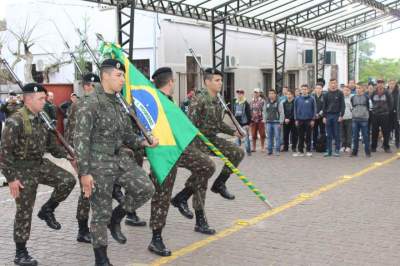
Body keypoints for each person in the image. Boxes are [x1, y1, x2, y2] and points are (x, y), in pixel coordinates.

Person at [74, 59, 157, 265]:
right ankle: (101, 260)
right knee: (100, 213)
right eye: (119, 76)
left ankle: (117, 217)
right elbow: (81, 141)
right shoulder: (90, 103)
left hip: (119, 159)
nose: (122, 80)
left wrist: (145, 142)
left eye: (123, 76)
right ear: (105, 77)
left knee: (146, 188)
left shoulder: (120, 103)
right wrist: (84, 173)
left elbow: (128, 136)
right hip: (98, 164)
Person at [0, 83, 76, 266]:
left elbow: (51, 146)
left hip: (40, 164)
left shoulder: (42, 118)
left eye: (44, 98)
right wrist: (11, 179)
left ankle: (47, 209)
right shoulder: (15, 121)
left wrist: (68, 154)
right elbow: (4, 153)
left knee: (67, 180)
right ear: (28, 100)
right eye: (41, 99)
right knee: (24, 211)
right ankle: (21, 252)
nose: (45, 101)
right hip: (22, 170)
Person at [149, 67, 216, 257]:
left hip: (178, 148)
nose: (174, 84)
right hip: (162, 153)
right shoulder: (154, 100)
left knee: (207, 166)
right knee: (162, 194)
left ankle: (182, 197)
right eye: (173, 82)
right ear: (170, 82)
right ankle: (156, 238)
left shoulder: (169, 101)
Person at [176, 68, 244, 200]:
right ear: (207, 82)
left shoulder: (218, 100)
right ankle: (190, 205)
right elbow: (190, 125)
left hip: (211, 139)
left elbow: (218, 123)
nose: (220, 83)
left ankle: (219, 184)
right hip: (197, 140)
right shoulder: (199, 99)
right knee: (204, 173)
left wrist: (234, 132)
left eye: (221, 80)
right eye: (217, 80)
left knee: (237, 153)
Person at [323, 78, 345, 157]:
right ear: (329, 84)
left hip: (336, 115)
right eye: (331, 83)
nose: (333, 84)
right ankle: (329, 151)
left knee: (336, 134)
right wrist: (324, 117)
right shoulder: (326, 94)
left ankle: (337, 150)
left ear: (336, 84)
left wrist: (341, 115)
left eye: (334, 83)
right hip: (328, 116)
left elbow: (343, 105)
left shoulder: (340, 93)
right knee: (328, 135)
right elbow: (324, 106)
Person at [370, 79, 393, 153]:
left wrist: (387, 111)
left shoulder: (387, 92)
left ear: (383, 84)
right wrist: (374, 110)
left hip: (384, 115)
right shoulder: (373, 92)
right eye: (378, 83)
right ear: (377, 84)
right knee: (374, 131)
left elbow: (391, 103)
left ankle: (386, 147)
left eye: (381, 83)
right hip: (375, 115)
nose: (380, 84)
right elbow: (370, 101)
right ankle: (373, 147)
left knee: (386, 131)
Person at [293, 84, 316, 157]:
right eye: (303, 89)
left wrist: (313, 119)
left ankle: (308, 150)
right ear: (301, 90)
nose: (304, 90)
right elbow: (295, 110)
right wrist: (296, 119)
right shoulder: (297, 99)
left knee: (309, 136)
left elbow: (314, 109)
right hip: (300, 120)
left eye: (305, 89)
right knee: (300, 136)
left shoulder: (312, 98)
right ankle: (300, 151)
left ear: (308, 90)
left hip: (309, 120)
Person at [351, 85, 371, 157]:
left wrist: (366, 115)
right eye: (357, 88)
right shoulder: (353, 97)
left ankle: (367, 152)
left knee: (365, 136)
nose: (358, 89)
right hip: (355, 119)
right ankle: (354, 152)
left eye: (360, 88)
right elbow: (352, 106)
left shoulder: (366, 97)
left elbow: (369, 107)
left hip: (364, 120)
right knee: (355, 136)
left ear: (363, 89)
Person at [263, 89, 284, 156]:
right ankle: (270, 150)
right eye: (269, 93)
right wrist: (264, 120)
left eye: (272, 93)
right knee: (269, 137)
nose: (271, 95)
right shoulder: (266, 102)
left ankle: (277, 150)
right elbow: (264, 112)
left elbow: (281, 113)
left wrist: (281, 122)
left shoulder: (278, 102)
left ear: (275, 94)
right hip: (268, 122)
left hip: (276, 122)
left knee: (277, 137)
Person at [233, 89, 251, 155]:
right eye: (238, 93)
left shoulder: (246, 103)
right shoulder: (236, 102)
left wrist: (248, 124)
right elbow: (234, 112)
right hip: (237, 124)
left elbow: (249, 114)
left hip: (244, 123)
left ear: (243, 94)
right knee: (237, 138)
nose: (239, 95)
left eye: (240, 93)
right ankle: (238, 152)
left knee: (246, 139)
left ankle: (248, 151)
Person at [250, 88, 266, 152]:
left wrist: (264, 119)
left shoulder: (262, 101)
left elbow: (264, 110)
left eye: (257, 92)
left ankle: (262, 147)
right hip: (253, 120)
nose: (255, 93)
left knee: (262, 134)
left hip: (260, 119)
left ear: (259, 93)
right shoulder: (251, 101)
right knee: (253, 134)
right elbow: (250, 110)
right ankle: (254, 148)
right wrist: (250, 119)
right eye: (254, 92)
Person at [312, 82, 325, 151]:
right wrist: (315, 114)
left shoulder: (324, 96)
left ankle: (322, 145)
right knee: (314, 131)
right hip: (314, 117)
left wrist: (319, 114)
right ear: (315, 89)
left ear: (322, 89)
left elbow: (324, 107)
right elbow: (311, 107)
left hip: (322, 117)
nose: (318, 89)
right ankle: (314, 145)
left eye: (320, 88)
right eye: (317, 88)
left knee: (322, 131)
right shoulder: (312, 97)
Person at [341, 86, 353, 152]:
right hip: (342, 118)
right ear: (343, 91)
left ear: (350, 91)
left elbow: (352, 108)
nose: (346, 92)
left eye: (348, 90)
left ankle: (348, 146)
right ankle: (343, 145)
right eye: (345, 90)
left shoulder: (351, 98)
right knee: (342, 133)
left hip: (349, 118)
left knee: (349, 133)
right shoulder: (341, 98)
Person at [388, 80, 399, 149]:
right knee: (388, 128)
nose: (391, 85)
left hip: (396, 113)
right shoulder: (386, 92)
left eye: (393, 84)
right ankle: (386, 142)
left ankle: (397, 142)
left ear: (395, 84)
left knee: (397, 128)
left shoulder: (398, 92)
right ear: (388, 84)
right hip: (388, 113)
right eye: (390, 84)